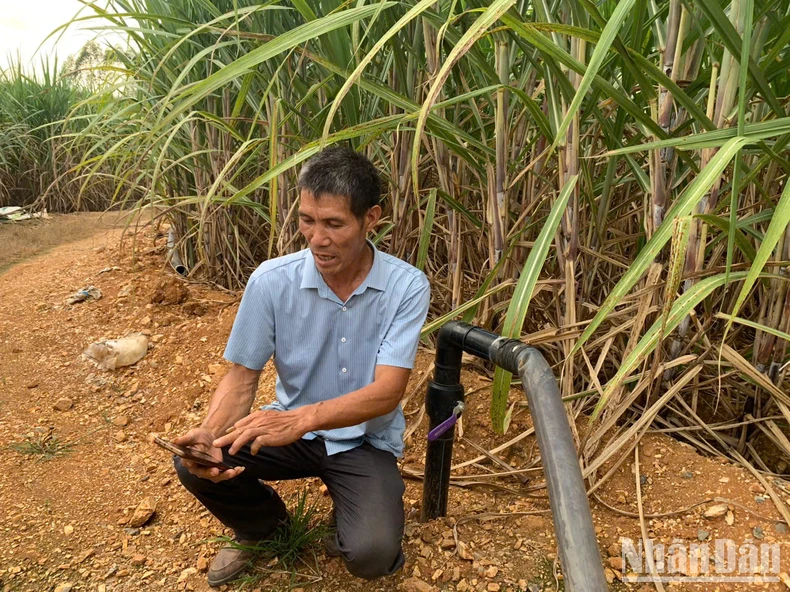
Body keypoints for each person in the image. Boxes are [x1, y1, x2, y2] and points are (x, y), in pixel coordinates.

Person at [173, 145, 431, 587]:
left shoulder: (406, 287)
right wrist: (210, 431)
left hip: (363, 442)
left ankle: (349, 511)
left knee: (371, 554)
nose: (317, 238)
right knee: (196, 460)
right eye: (307, 221)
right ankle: (263, 527)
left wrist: (304, 418)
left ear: (372, 218)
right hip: (287, 431)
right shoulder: (271, 282)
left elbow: (388, 392)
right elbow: (242, 377)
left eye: (334, 224)